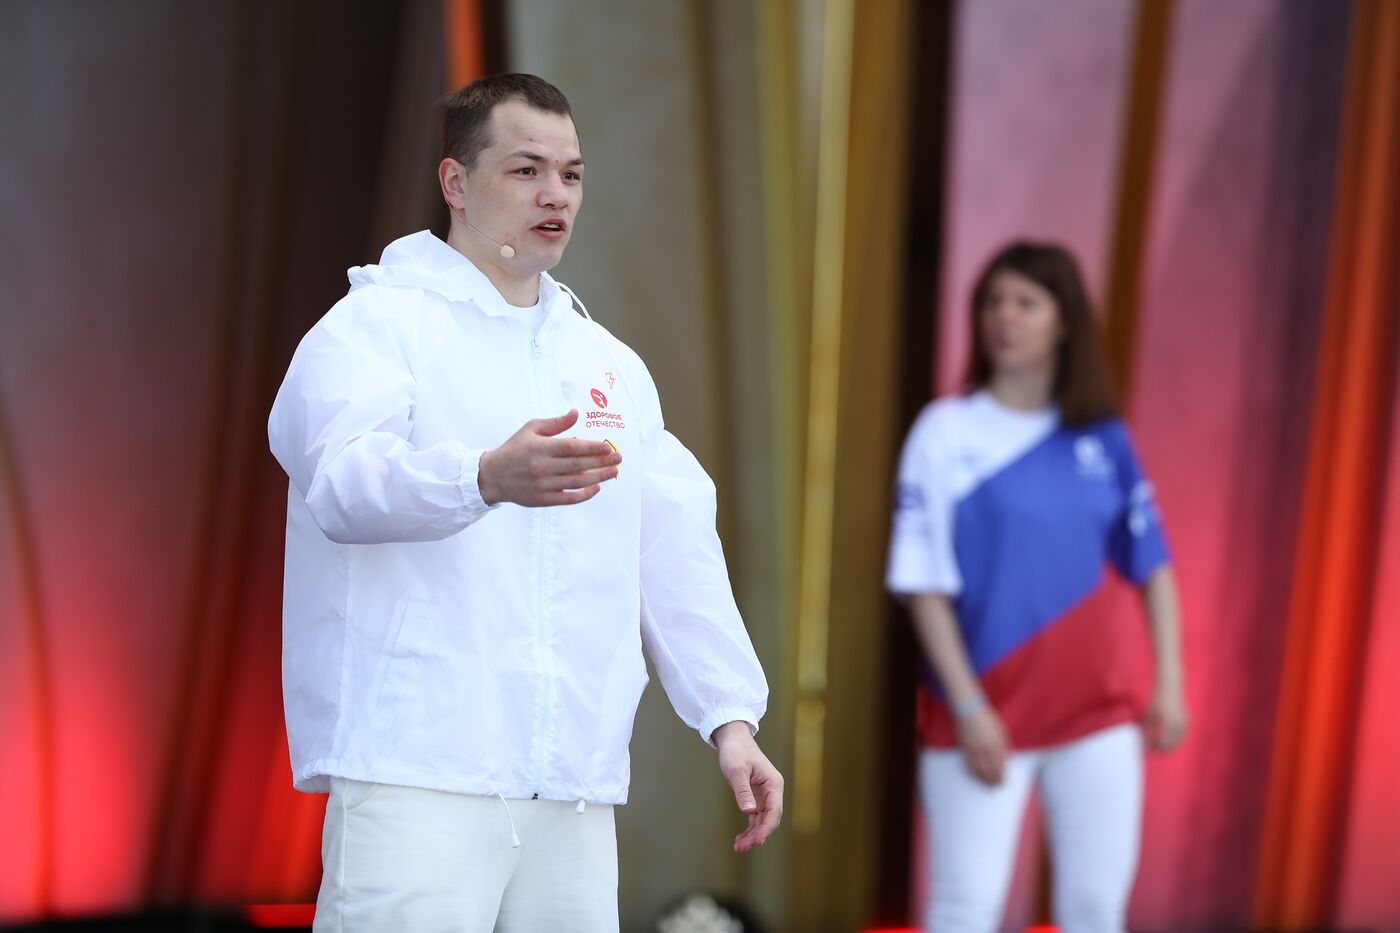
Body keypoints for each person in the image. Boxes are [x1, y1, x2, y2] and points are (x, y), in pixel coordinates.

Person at [267, 73, 782, 933]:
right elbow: (339, 484)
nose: (555, 195)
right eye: (526, 170)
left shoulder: (606, 361)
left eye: (572, 174)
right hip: (418, 765)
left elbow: (670, 546)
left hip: (570, 780)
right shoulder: (377, 324)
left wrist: (730, 716)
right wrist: (482, 478)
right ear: (455, 184)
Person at [885, 242, 1188, 933]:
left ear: (1064, 322)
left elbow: (1154, 565)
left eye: (1026, 303)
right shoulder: (945, 432)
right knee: (964, 910)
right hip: (981, 716)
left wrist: (1169, 681)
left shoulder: (1102, 437)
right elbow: (921, 582)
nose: (1005, 317)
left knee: (1094, 911)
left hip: (1097, 717)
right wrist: (967, 704)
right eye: (993, 301)